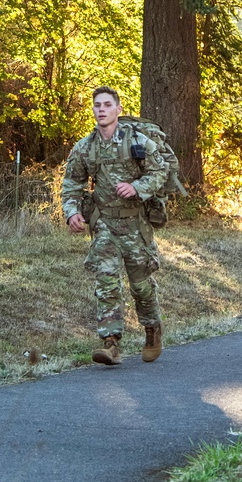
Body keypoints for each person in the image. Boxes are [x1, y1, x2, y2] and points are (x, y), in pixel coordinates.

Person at [61, 87, 169, 366]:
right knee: (106, 281)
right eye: (97, 105)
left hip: (135, 224)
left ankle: (152, 329)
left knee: (141, 286)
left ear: (118, 109)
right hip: (105, 223)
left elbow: (160, 172)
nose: (101, 110)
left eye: (108, 105)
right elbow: (72, 184)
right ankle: (111, 344)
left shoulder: (138, 141)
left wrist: (137, 187)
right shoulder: (85, 147)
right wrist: (71, 212)